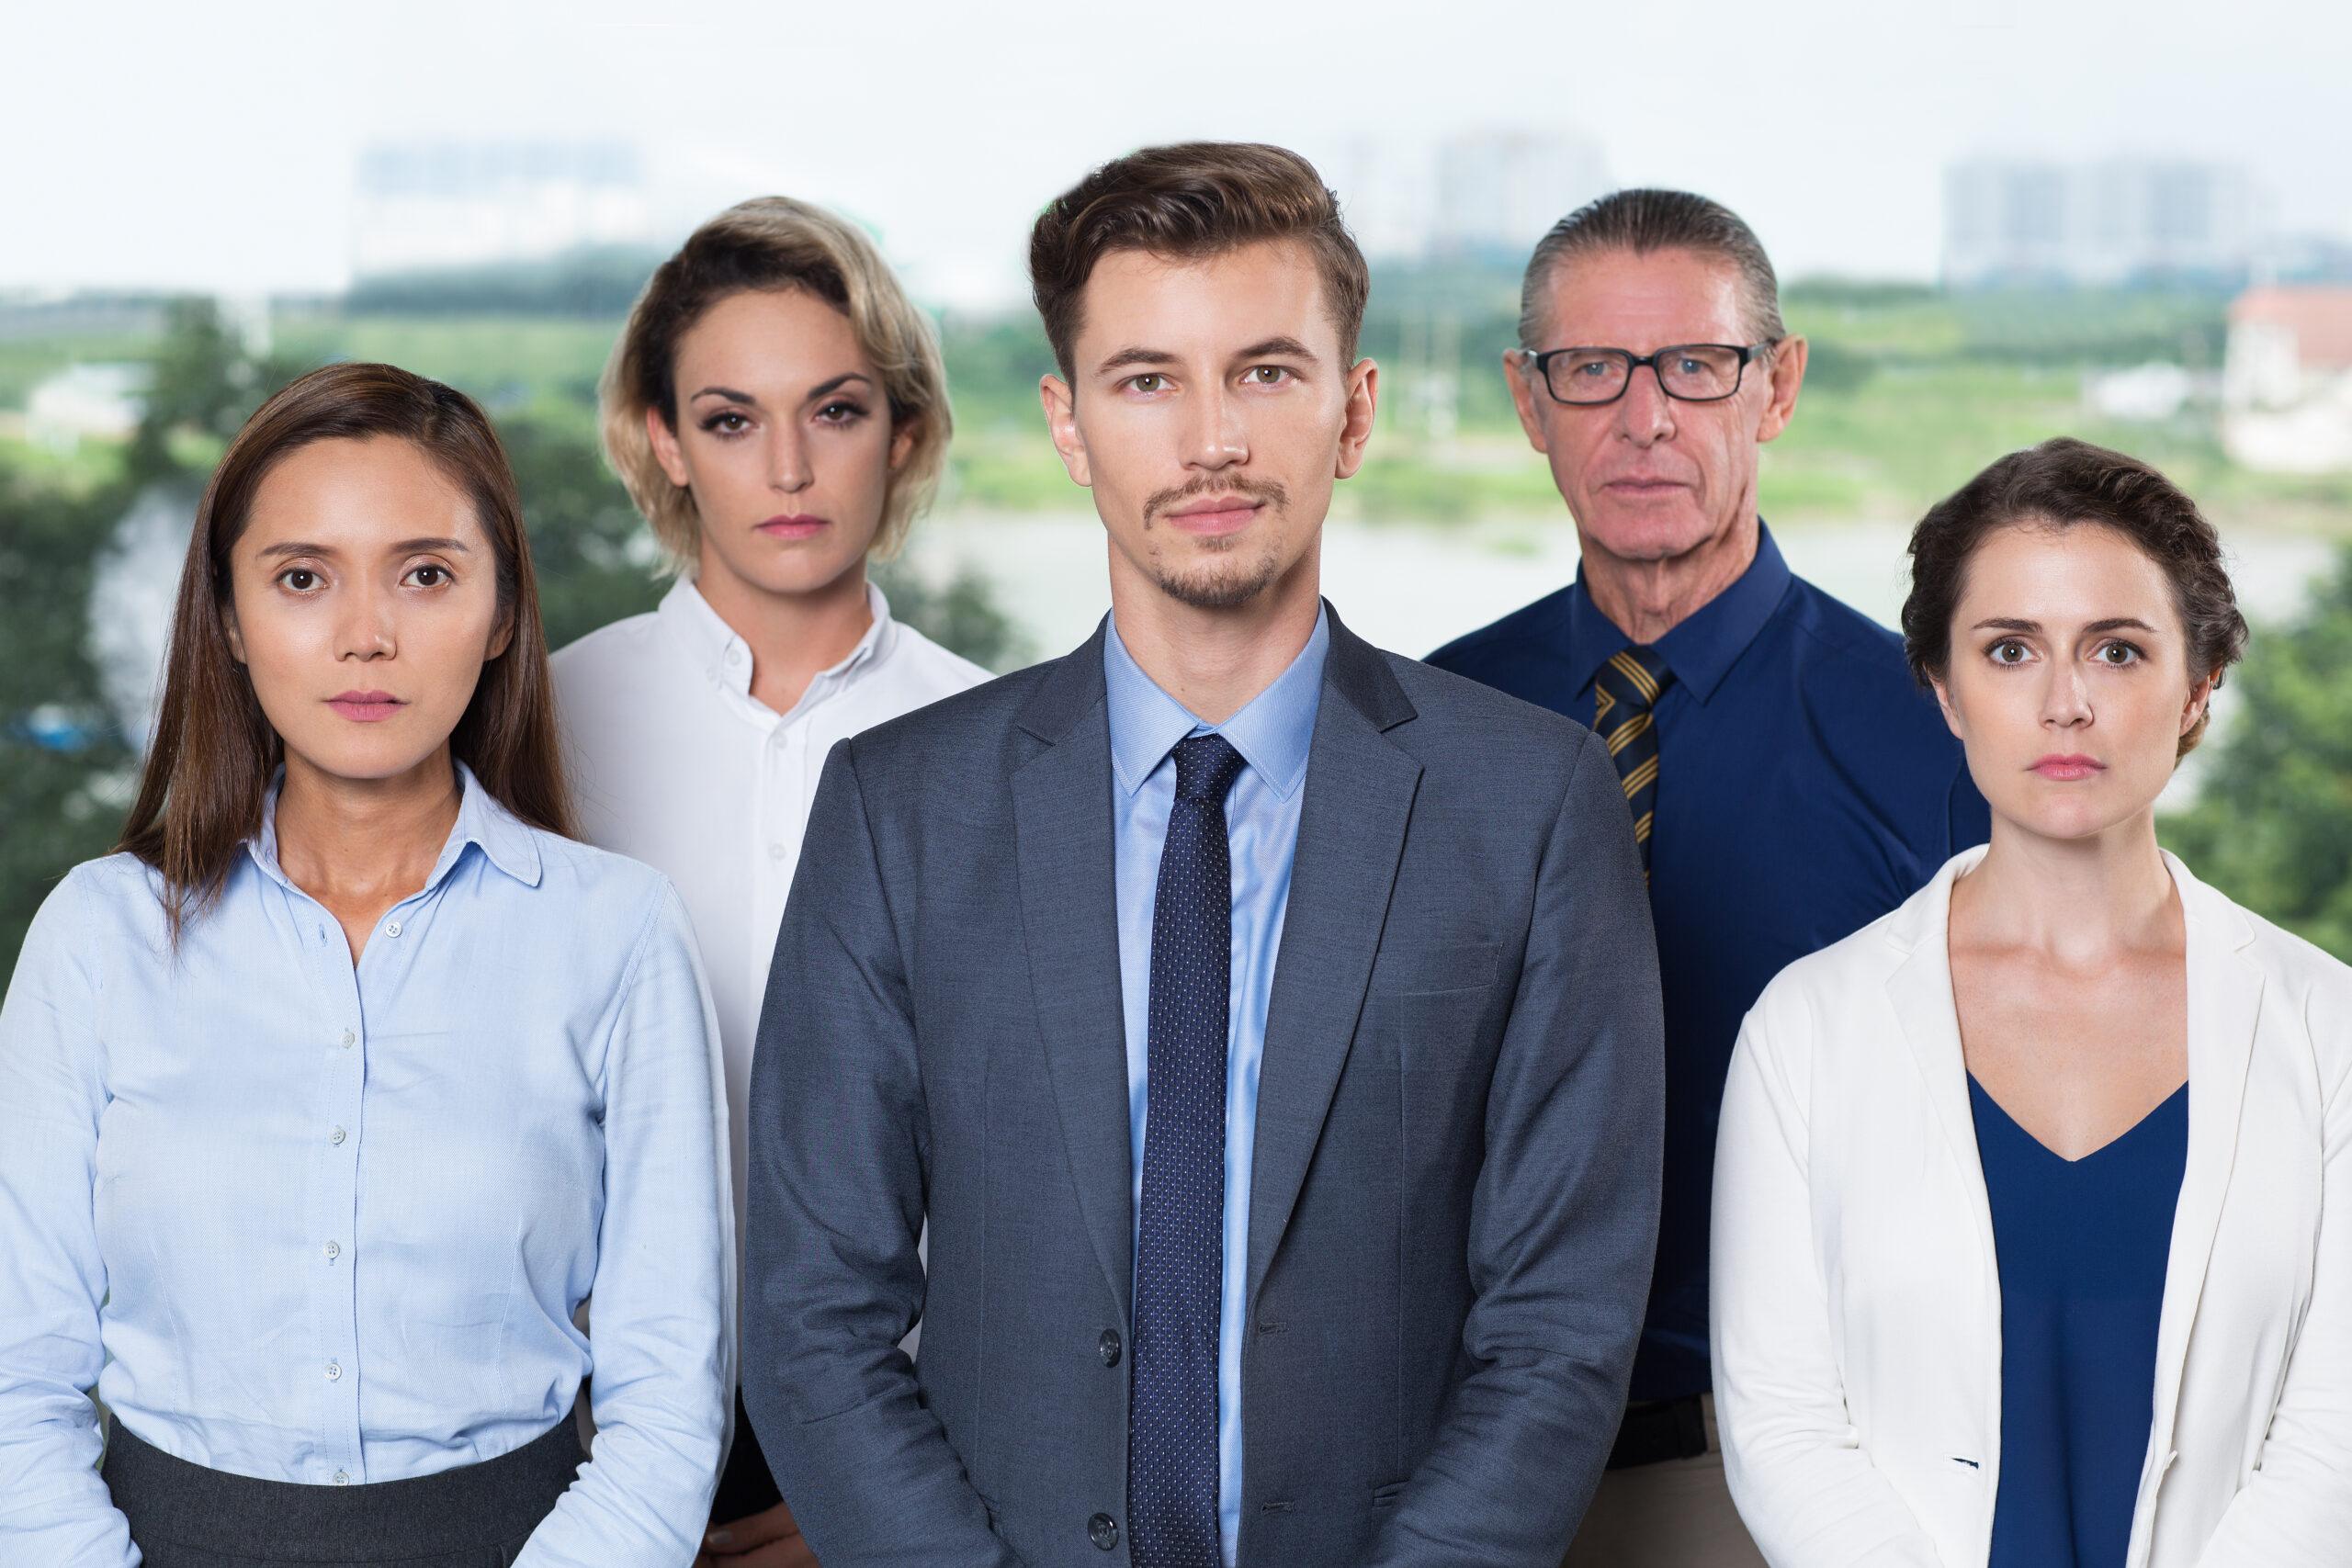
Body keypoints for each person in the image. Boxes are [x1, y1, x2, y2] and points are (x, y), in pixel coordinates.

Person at [740, 142, 1665, 1568]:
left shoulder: (1532, 803)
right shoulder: (899, 809)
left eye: (1268, 372)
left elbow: (1559, 1323)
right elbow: (814, 1313)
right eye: (1147, 379)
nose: (1212, 439)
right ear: (1068, 420)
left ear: (1353, 411)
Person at [0, 362, 732, 1566]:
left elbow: (669, 1386)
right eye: (301, 578)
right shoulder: (98, 936)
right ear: (229, 619)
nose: (365, 635)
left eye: (427, 573)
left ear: (501, 612)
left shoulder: (618, 932)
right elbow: (21, 1369)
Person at [1426, 189, 1988, 1566]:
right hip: (1451, 1463)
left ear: (1775, 384)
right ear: (1527, 397)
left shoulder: (1942, 737)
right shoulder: (1427, 721)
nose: (1644, 416)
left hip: (1782, 1475)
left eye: (1695, 365)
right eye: (1590, 370)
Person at [1713, 437, 2352, 1566]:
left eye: (2115, 650)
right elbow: (1784, 1428)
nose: (2064, 704)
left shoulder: (2327, 1028)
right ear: (1944, 689)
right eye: (2009, 650)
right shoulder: (1805, 1032)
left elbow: (2333, 1440)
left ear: (2198, 685)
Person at [551, 196, 988, 1567]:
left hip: (917, 1439)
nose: (788, 465)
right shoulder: (541, 727)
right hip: (569, 1440)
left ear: (903, 431)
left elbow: (1045, 1165)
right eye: (732, 418)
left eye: (837, 410)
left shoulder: (1006, 742)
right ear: (664, 442)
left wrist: (881, 1475)